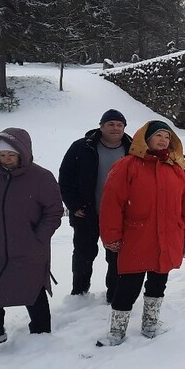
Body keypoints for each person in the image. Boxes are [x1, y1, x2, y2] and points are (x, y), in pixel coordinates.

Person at [98, 121, 185, 346]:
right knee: (128, 285)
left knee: (158, 283)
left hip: (168, 237)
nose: (163, 140)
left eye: (167, 136)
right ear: (146, 138)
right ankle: (117, 330)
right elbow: (112, 204)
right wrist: (111, 236)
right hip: (137, 237)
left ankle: (150, 323)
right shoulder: (127, 166)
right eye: (158, 136)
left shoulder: (177, 170)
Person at [0, 128, 63, 351]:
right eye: (2, 155)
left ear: (23, 152)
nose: (6, 160)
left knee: (32, 292)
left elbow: (54, 212)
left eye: (11, 155)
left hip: (29, 248)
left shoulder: (42, 177)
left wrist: (37, 238)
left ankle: (41, 335)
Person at [58, 109, 131, 301]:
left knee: (116, 258)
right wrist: (74, 205)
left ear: (124, 127)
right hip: (87, 214)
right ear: (101, 126)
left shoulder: (133, 150)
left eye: (119, 124)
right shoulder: (82, 147)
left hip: (120, 216)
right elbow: (65, 179)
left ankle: (114, 295)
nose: (115, 128)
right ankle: (79, 293)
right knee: (83, 255)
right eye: (110, 124)